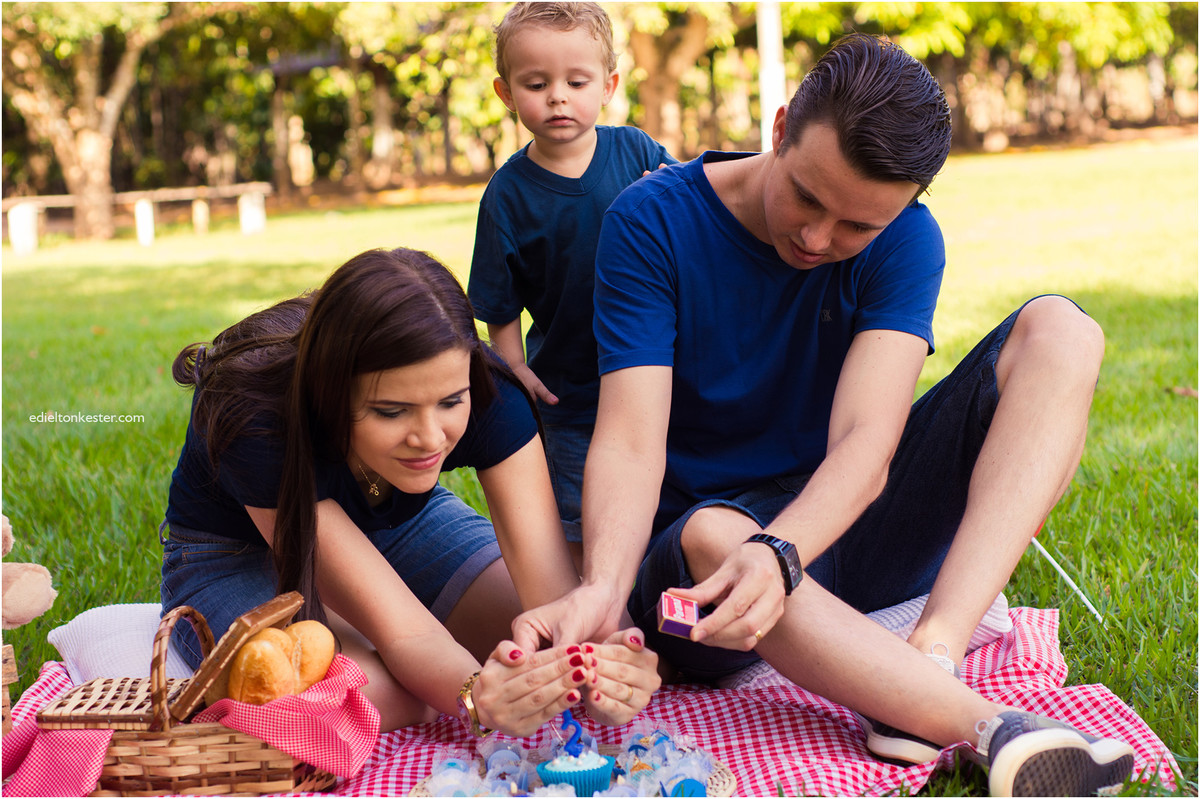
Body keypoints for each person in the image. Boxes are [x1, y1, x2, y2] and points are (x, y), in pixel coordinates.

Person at [516, 33, 1136, 796]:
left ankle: (929, 656)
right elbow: (631, 439)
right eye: (807, 195)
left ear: (904, 206)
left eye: (856, 227)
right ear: (779, 129)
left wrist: (783, 551)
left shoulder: (908, 240)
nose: (817, 238)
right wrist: (606, 592)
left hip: (835, 532)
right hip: (711, 589)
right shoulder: (652, 221)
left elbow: (866, 442)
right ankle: (985, 726)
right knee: (718, 533)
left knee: (1063, 330)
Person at [160, 247, 660, 735]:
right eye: (391, 411)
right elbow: (408, 633)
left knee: (529, 648)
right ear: (331, 392)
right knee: (374, 696)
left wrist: (601, 674)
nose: (428, 438)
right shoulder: (258, 416)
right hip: (238, 551)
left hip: (395, 520)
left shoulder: (490, 392)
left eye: (450, 402)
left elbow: (556, 600)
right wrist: (475, 696)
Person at [468, 2, 675, 553]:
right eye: (536, 83)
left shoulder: (636, 152)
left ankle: (660, 585)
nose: (558, 95)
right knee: (581, 509)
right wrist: (512, 366)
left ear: (607, 85)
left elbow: (687, 213)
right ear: (506, 94)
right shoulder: (508, 196)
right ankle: (586, 594)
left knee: (668, 489)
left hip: (658, 371)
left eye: (576, 81)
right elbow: (498, 298)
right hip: (568, 391)